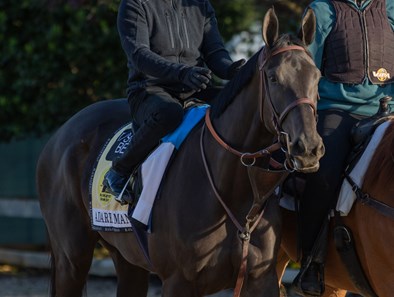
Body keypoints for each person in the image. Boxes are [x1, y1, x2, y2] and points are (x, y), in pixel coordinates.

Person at [292, 0, 394, 296]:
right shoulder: (322, 10)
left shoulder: (389, 8)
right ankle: (312, 262)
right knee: (322, 178)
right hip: (338, 111)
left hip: (387, 110)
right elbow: (304, 70)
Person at [104, 0, 245, 200]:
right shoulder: (135, 4)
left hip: (195, 87)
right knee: (169, 113)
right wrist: (181, 72)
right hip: (149, 89)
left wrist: (232, 70)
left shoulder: (200, 5)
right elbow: (139, 55)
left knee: (237, 101)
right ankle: (119, 171)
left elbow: (215, 52)